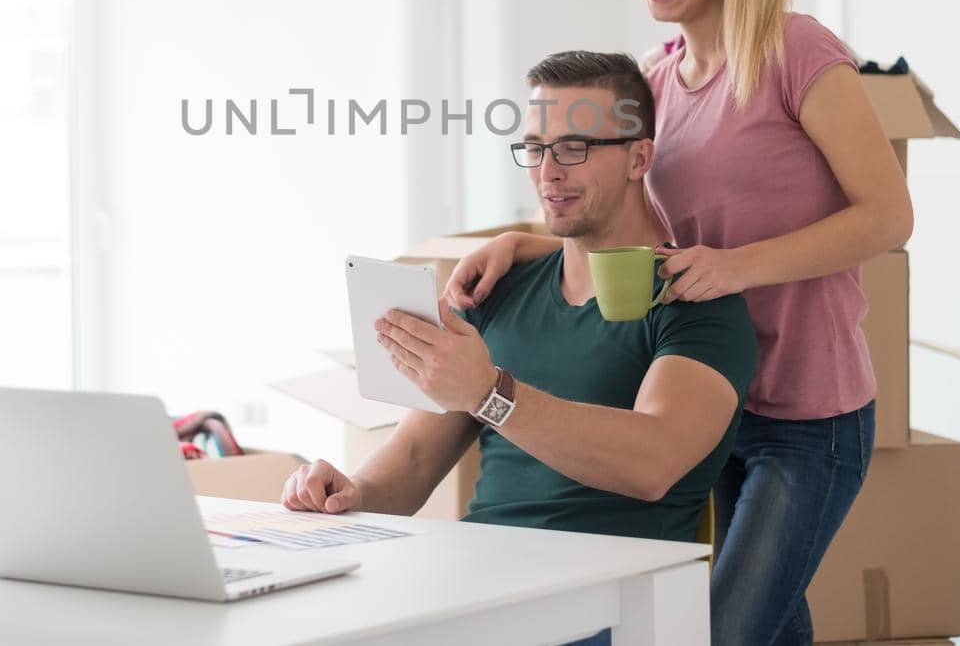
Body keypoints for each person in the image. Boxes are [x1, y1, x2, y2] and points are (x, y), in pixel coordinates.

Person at [443, 0, 914, 646]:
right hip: (710, 399)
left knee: (725, 632)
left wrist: (736, 268)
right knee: (768, 630)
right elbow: (636, 224)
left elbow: (888, 215)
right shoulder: (660, 77)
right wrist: (527, 245)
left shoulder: (797, 53)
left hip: (807, 415)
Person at [284, 53, 756, 644]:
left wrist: (489, 393)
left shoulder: (698, 302)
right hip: (478, 593)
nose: (547, 172)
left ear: (640, 156)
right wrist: (351, 495)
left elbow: (653, 463)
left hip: (605, 608)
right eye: (535, 148)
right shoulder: (496, 290)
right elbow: (412, 458)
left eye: (575, 147)